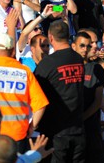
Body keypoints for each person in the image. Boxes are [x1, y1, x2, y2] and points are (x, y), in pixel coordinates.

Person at [35, 20, 85, 161]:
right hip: (78, 129)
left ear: (50, 37)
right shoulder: (78, 59)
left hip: (56, 131)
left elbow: (36, 91)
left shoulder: (47, 63)